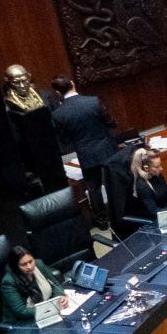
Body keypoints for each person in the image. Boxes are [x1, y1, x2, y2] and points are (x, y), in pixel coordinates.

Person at [51, 76, 123, 227]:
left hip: (86, 153)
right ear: (72, 84)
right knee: (116, 180)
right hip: (107, 148)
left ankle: (102, 221)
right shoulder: (93, 101)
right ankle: (122, 211)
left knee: (93, 188)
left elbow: (64, 140)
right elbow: (111, 122)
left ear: (57, 92)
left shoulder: (58, 114)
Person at [0, 244, 68, 324]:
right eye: (23, 264)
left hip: (46, 314)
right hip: (22, 322)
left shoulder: (39, 264)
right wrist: (51, 308)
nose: (29, 266)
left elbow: (55, 284)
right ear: (15, 266)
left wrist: (60, 297)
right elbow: (21, 311)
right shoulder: (8, 282)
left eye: (30, 261)